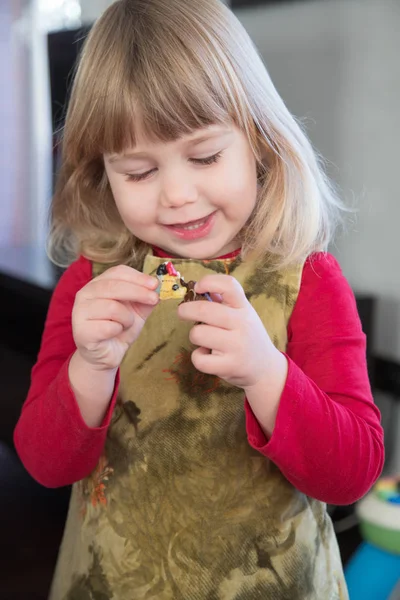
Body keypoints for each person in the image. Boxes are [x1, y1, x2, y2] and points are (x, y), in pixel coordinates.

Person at [14, 0, 384, 598]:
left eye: (205, 156)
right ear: (99, 174)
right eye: (138, 171)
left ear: (260, 143)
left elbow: (351, 473)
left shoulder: (308, 279)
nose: (178, 196)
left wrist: (267, 374)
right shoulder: (88, 285)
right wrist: (90, 366)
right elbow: (44, 464)